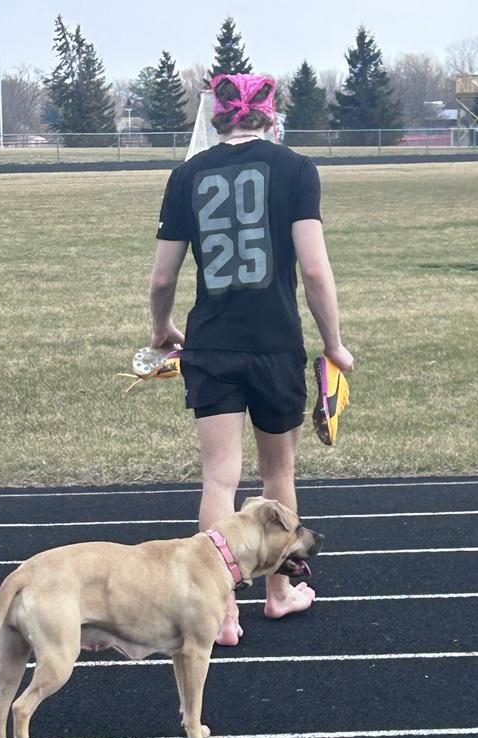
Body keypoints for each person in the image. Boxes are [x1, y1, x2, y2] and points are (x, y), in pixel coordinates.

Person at [149, 73, 354, 645]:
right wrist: (333, 342)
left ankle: (220, 611)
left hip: (210, 343)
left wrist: (162, 328)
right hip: (273, 344)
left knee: (220, 477)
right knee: (277, 474)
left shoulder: (186, 175)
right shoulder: (294, 169)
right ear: (270, 113)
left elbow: (164, 275)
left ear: (219, 115)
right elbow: (313, 269)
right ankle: (279, 593)